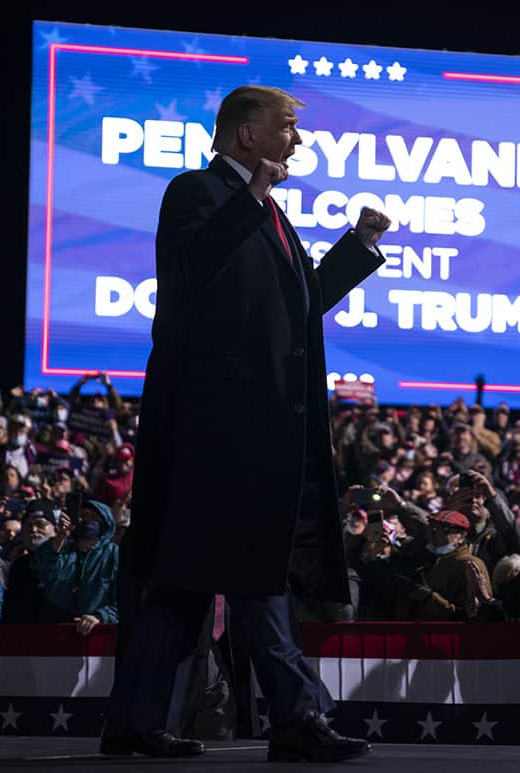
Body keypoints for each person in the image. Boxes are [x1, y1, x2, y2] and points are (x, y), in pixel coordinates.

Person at [106, 85, 389, 761]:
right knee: (252, 575)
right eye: (287, 128)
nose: (298, 140)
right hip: (214, 434)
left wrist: (358, 245)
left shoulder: (265, 213)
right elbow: (187, 272)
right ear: (245, 136)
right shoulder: (197, 193)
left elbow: (298, 304)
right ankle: (296, 719)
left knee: (185, 582)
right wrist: (252, 197)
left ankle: (137, 723)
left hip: (252, 435)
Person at [31, 497, 118, 634]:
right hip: (55, 631)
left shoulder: (114, 555)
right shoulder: (61, 548)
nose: (87, 520)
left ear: (105, 523)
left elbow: (124, 600)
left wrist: (100, 616)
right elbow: (41, 572)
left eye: (94, 517)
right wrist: (60, 536)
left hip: (95, 634)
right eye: (83, 516)